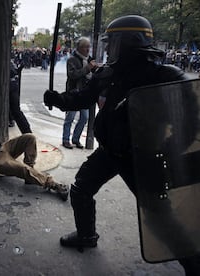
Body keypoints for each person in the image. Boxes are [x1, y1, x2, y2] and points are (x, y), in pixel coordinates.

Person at [44, 15, 200, 275]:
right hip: (109, 152)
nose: (108, 48)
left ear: (129, 42)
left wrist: (173, 149)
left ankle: (194, 265)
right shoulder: (107, 73)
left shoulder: (165, 75)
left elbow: (193, 119)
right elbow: (82, 98)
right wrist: (58, 99)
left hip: (145, 155)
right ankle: (86, 236)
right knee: (81, 189)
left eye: (113, 42)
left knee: (160, 216)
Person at [0, 132, 69, 200]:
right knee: (23, 169)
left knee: (29, 137)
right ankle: (53, 185)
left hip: (4, 147)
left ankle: (30, 176)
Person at [62, 37, 97, 149]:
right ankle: (66, 139)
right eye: (85, 47)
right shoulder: (72, 60)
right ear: (79, 48)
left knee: (84, 117)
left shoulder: (90, 59)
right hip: (74, 92)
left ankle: (76, 138)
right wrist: (87, 68)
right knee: (70, 117)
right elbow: (73, 75)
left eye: (88, 47)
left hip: (85, 93)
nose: (88, 49)